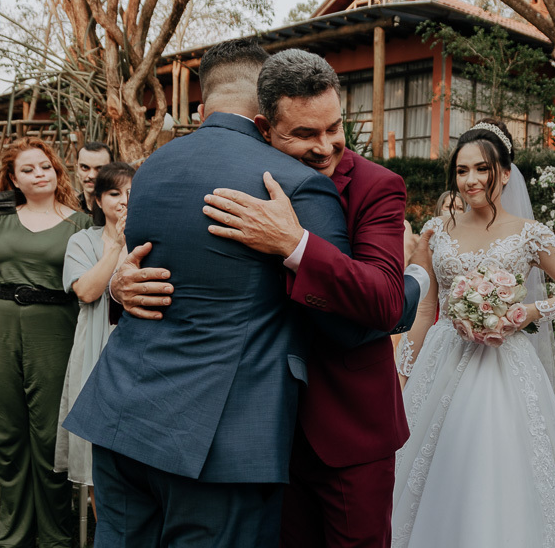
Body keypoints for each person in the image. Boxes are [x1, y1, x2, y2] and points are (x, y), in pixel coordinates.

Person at [64, 38, 380, 548]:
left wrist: (121, 290)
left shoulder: (150, 173)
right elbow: (348, 323)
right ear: (268, 111)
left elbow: (155, 273)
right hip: (223, 438)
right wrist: (410, 285)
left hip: (123, 414)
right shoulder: (294, 185)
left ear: (205, 101)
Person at [197, 49, 428, 548]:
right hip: (261, 429)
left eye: (335, 127)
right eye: (304, 134)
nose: (327, 147)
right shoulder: (235, 179)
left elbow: (385, 299)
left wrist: (295, 246)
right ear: (264, 128)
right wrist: (118, 286)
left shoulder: (376, 187)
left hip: (348, 428)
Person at [392, 120, 555, 547]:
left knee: (493, 464)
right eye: (461, 170)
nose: (470, 180)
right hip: (443, 357)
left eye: (482, 169)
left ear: (505, 173)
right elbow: (426, 308)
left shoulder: (529, 234)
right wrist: (402, 375)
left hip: (504, 367)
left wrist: (527, 311)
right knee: (434, 463)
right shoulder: (438, 231)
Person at [0, 137, 92, 548]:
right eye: (28, 169)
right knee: (8, 432)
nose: (39, 174)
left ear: (56, 171)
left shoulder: (81, 222)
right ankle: (13, 533)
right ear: (13, 178)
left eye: (45, 166)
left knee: (50, 434)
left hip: (55, 325)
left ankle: (54, 533)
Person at [54, 162, 133, 516]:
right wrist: (116, 245)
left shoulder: (155, 233)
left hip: (140, 344)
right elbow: (86, 291)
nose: (123, 200)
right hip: (97, 345)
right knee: (98, 443)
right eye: (114, 193)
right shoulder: (82, 240)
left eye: (131, 192)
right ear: (98, 201)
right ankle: (108, 528)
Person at [75, 142, 113, 215]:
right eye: (85, 167)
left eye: (100, 169)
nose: (92, 175)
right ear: (77, 169)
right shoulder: (69, 208)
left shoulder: (122, 209)